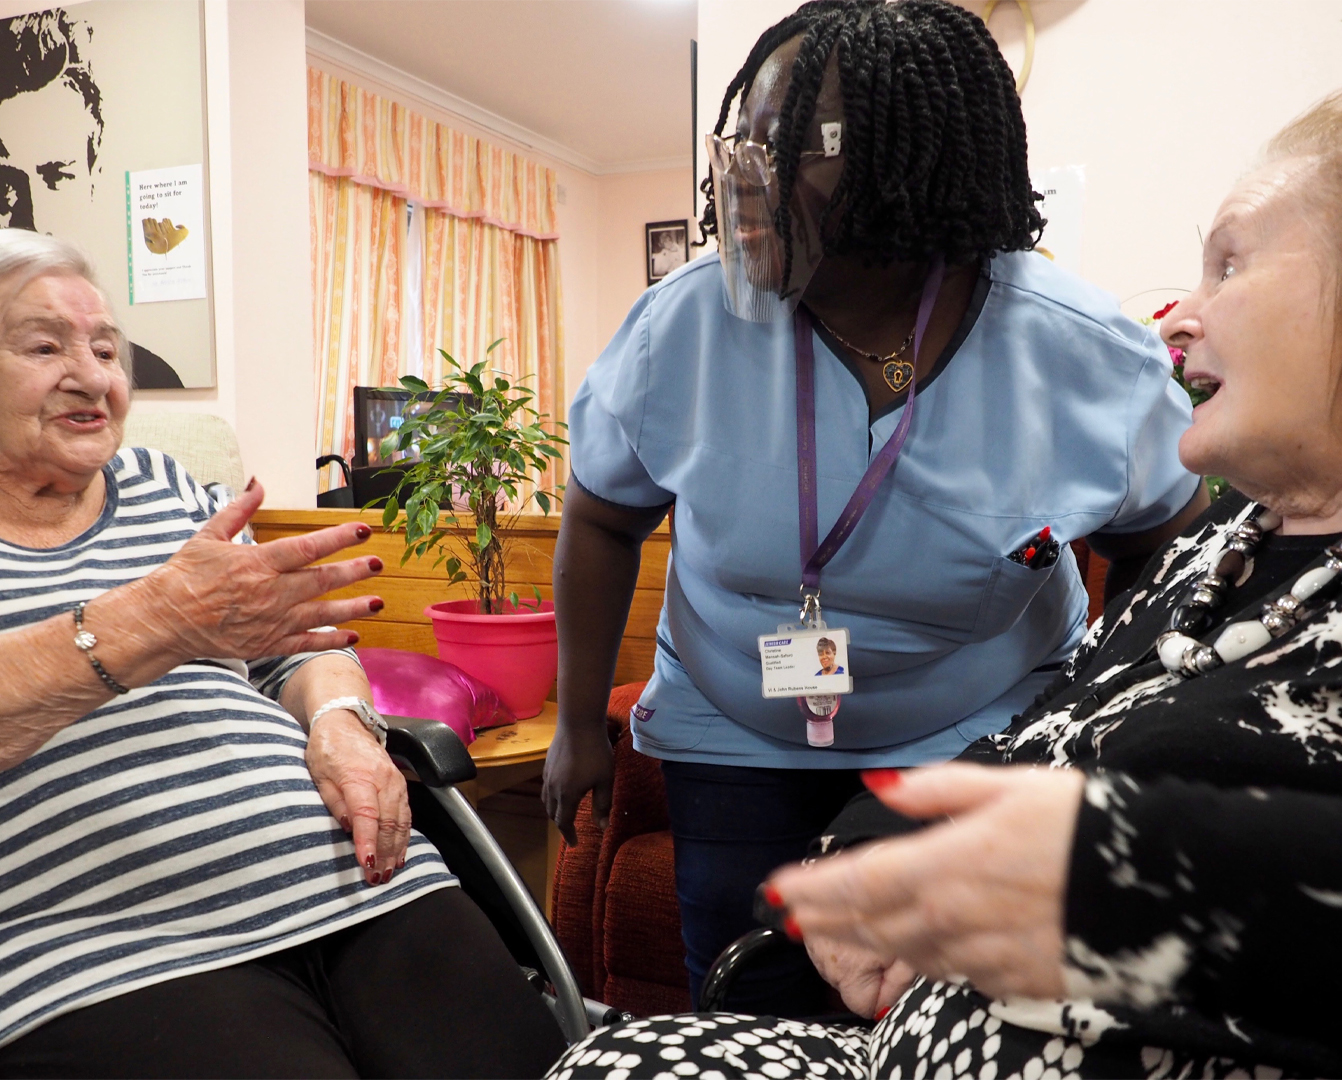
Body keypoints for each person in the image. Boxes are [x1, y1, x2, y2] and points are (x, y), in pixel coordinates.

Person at [548, 88, 1342, 1079]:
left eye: (1229, 264)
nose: (1177, 315)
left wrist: (1108, 847)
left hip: (962, 722)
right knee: (711, 1000)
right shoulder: (686, 324)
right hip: (738, 720)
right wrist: (582, 721)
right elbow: (601, 514)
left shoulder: (1083, 354)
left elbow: (1139, 582)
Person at [0, 228, 565, 1077]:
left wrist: (342, 719)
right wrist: (156, 616)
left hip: (352, 876)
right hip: (107, 943)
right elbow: (173, 621)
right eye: (45, 346)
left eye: (109, 348)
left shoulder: (169, 485)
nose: (94, 376)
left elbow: (296, 648)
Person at [0, 8, 182, 388]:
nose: (27, 217)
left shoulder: (153, 375)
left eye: (56, 176)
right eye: (6, 183)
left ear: (94, 173)